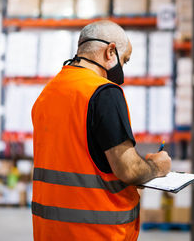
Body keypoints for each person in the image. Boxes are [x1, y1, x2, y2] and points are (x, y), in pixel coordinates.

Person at [31, 20, 171, 241]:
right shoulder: (104, 93)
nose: (122, 69)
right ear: (110, 51)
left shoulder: (48, 93)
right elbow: (128, 170)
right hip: (97, 232)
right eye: (124, 60)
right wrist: (157, 166)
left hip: (49, 231)